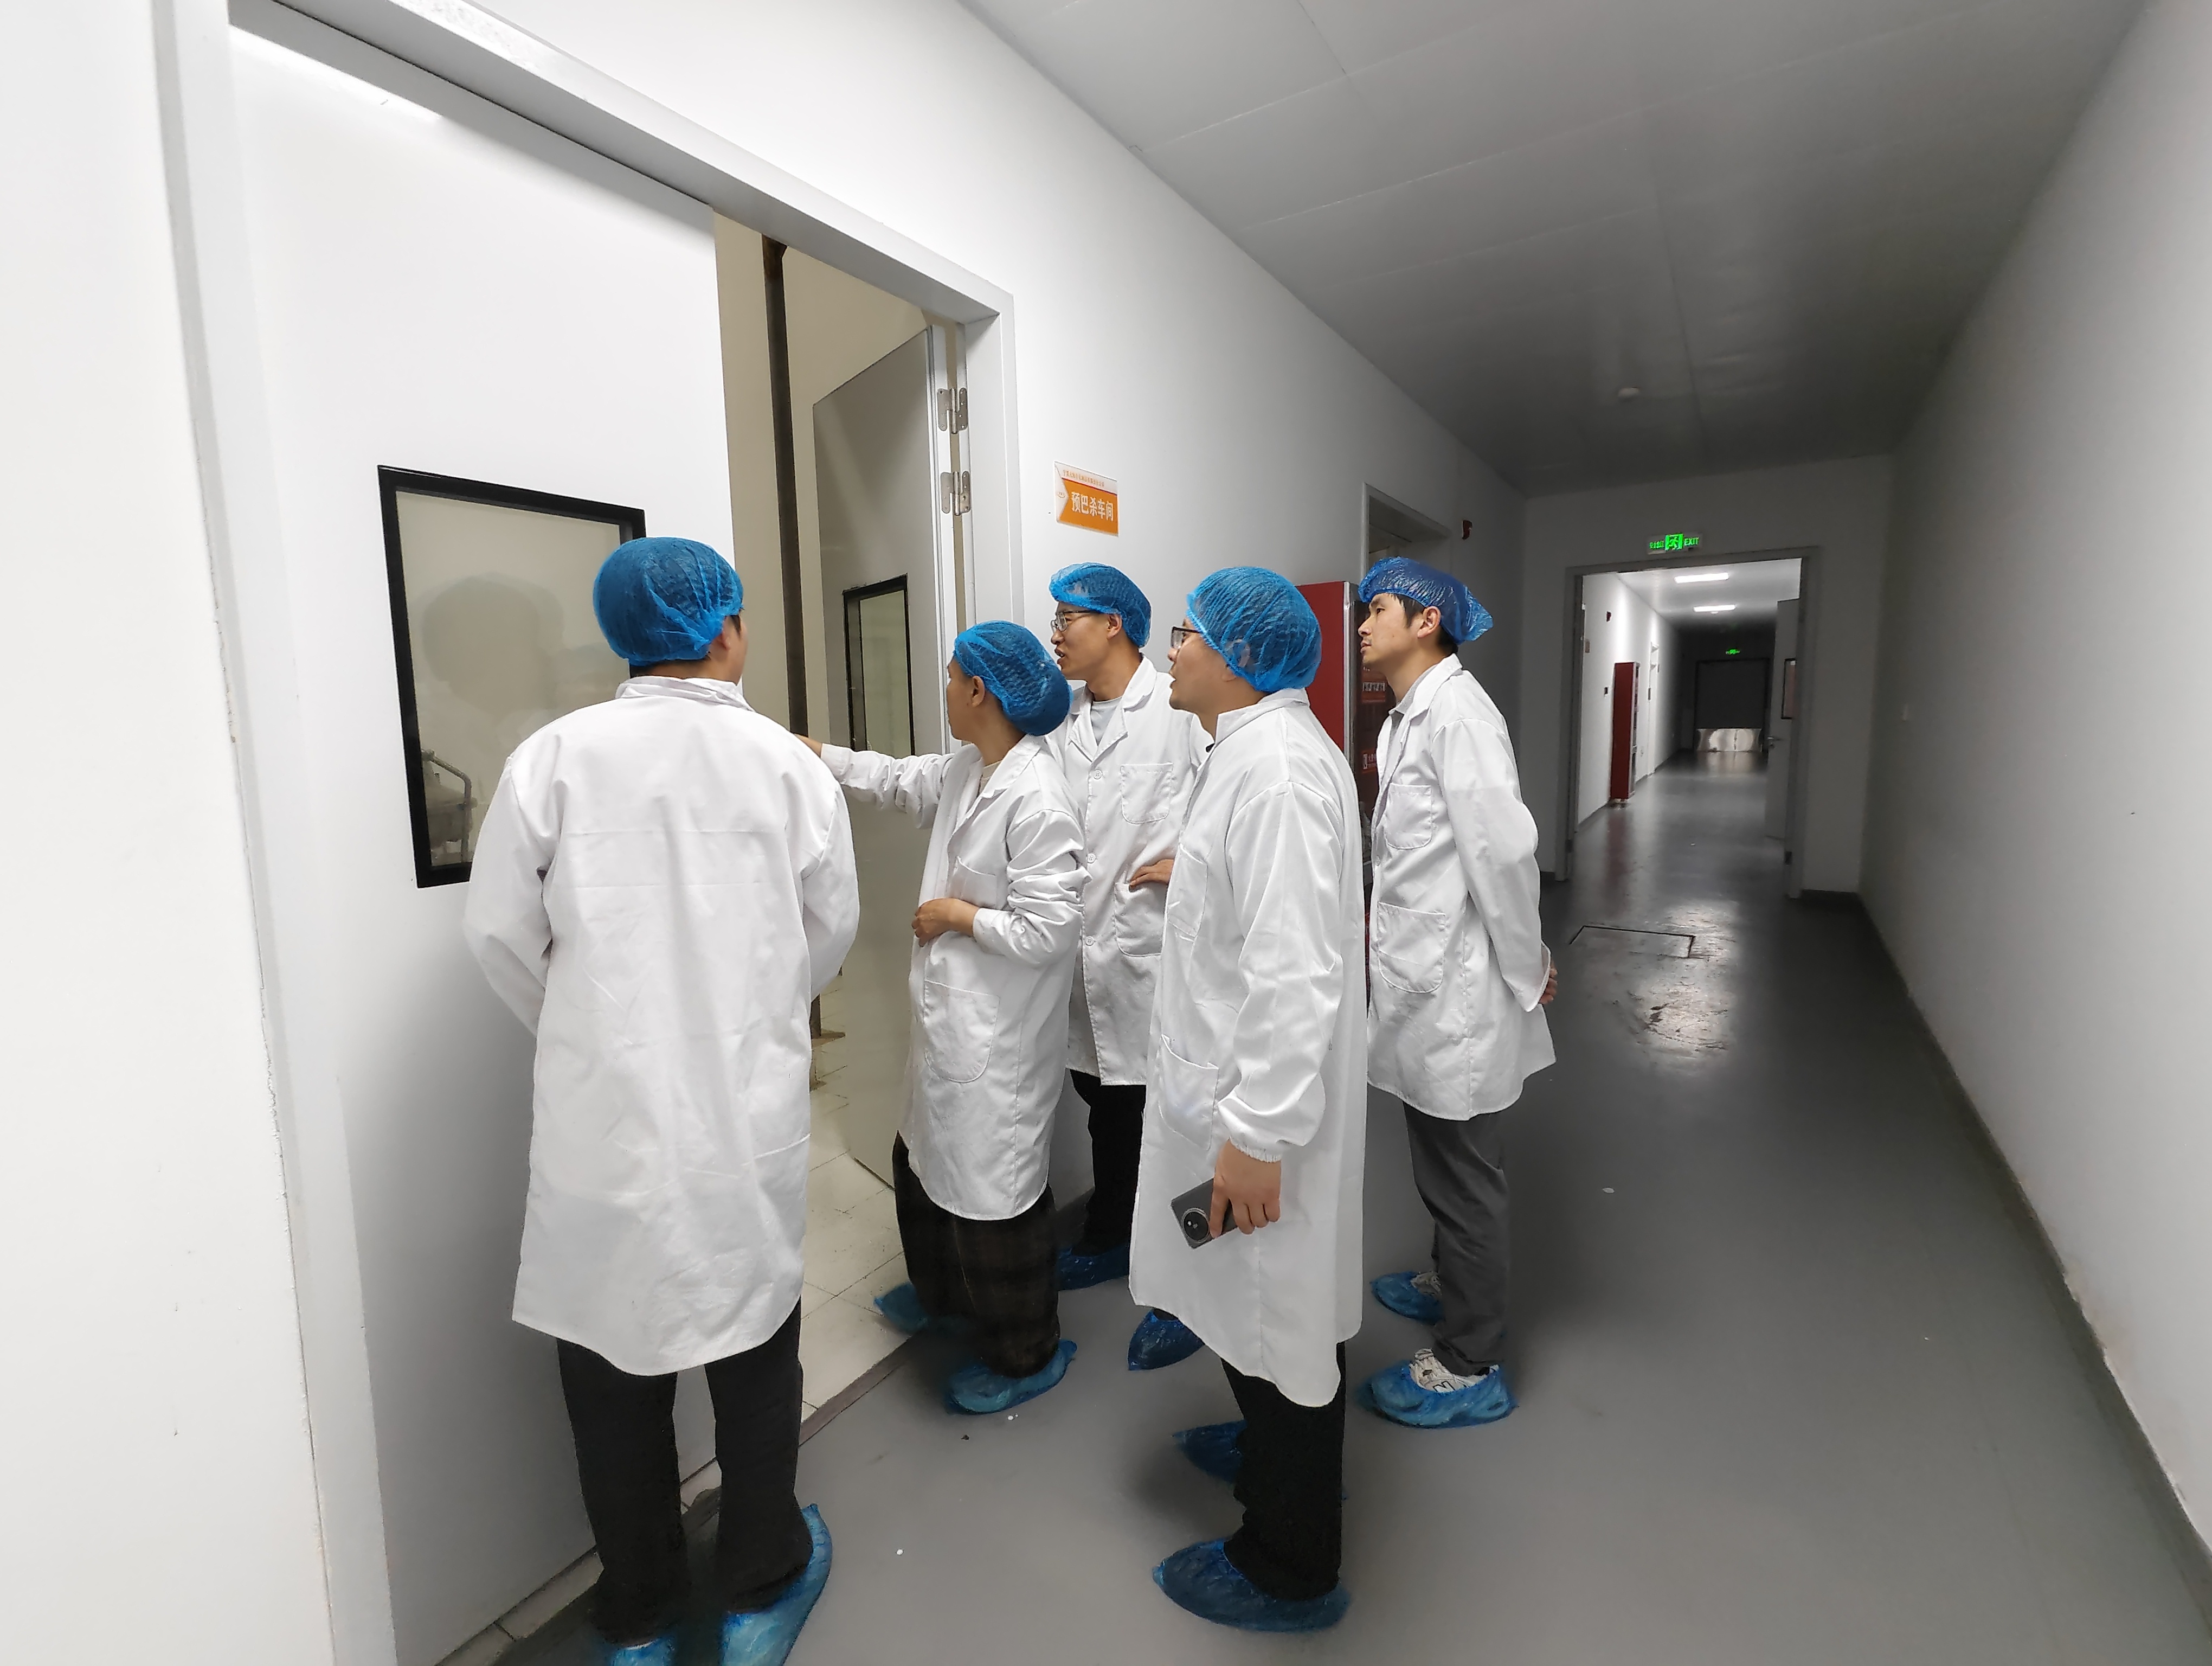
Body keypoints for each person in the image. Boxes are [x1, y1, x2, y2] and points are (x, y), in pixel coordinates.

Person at [462, 537, 856, 1666]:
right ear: (728, 629)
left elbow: (497, 935)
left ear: (624, 636)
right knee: (756, 1355)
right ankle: (759, 1581)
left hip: (606, 1124)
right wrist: (746, 1015)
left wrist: (597, 1033)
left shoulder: (552, 759)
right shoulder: (786, 767)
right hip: (742, 1117)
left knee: (610, 1375)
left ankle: (637, 1611)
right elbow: (827, 931)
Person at [1128, 567, 1366, 1633]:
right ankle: (1268, 1446)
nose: (1171, 649)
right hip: (1227, 1105)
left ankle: (1288, 1564)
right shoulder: (1249, 754)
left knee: (1275, 1306)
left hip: (1257, 1123)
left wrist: (1258, 1138)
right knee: (1247, 1295)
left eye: (1188, 633)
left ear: (1240, 656)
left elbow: (1296, 972)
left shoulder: (1273, 774)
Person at [801, 621, 1085, 1414]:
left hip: (999, 1038)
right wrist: (811, 753)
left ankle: (1028, 1353)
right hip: (952, 1026)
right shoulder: (970, 767)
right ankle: (944, 1300)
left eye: (953, 676)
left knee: (993, 1196)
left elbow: (1051, 930)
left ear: (979, 692)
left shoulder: (1037, 797)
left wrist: (960, 916)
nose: (947, 687)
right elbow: (898, 780)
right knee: (923, 1164)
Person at [1353, 556, 1557, 1430]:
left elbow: (1503, 858)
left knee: (1464, 1175)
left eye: (1379, 609)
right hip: (1421, 980)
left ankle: (1472, 1361)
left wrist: (1529, 964)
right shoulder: (1411, 714)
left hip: (1457, 990)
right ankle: (1451, 1279)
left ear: (1427, 621)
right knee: (1440, 1156)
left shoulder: (1461, 717)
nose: (1363, 624)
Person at [1039, 562, 1213, 1371]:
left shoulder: (1179, 710)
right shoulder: (1065, 723)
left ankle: (1193, 1287)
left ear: (1113, 623)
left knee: (1181, 1128)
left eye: (1067, 618)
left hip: (1157, 957)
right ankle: (1112, 1235)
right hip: (1090, 967)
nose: (1055, 633)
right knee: (1108, 1111)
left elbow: (1233, 806)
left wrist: (1194, 862)